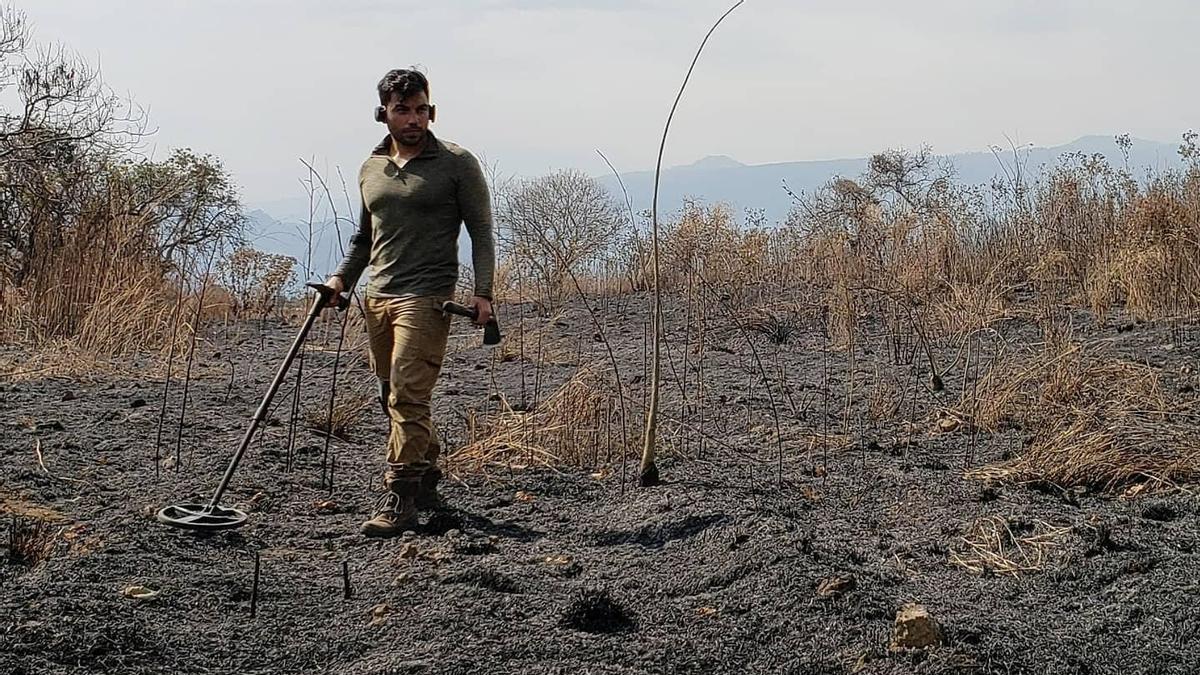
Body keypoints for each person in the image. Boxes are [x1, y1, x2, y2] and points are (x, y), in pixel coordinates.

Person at [323, 68, 495, 537]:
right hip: (376, 295)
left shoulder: (458, 164)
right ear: (384, 114)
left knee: (407, 394)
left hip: (428, 296)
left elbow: (480, 231)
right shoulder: (370, 169)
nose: (414, 118)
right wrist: (341, 280)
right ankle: (427, 473)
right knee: (391, 395)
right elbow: (363, 238)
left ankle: (399, 498)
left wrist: (483, 293)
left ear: (431, 110)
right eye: (403, 110)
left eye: (421, 109)